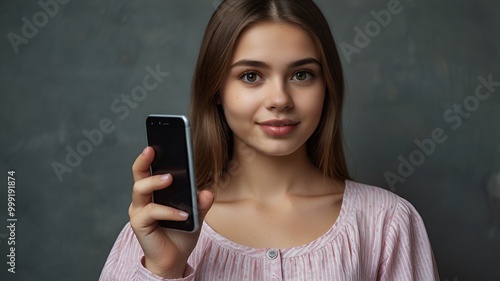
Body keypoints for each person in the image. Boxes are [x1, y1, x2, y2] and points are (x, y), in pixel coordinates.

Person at [99, 0, 439, 280]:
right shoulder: (154, 230)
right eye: (251, 76)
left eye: (301, 74)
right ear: (216, 90)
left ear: (327, 87)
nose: (280, 99)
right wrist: (164, 269)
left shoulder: (387, 222)